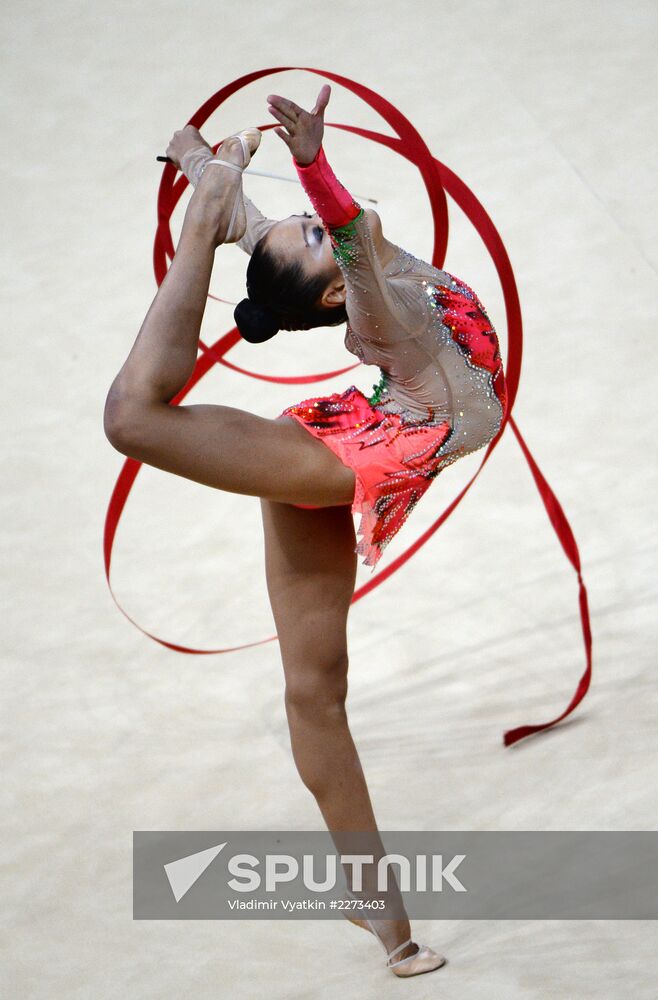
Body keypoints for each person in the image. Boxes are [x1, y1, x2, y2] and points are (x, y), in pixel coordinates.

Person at [104, 84, 506, 977]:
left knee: (313, 690)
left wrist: (205, 164)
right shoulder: (378, 309)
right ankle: (389, 925)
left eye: (306, 221)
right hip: (341, 459)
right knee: (131, 419)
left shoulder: (385, 274)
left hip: (349, 447)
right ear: (332, 292)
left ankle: (386, 923)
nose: (317, 223)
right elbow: (349, 238)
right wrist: (310, 162)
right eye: (315, 235)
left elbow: (307, 242)